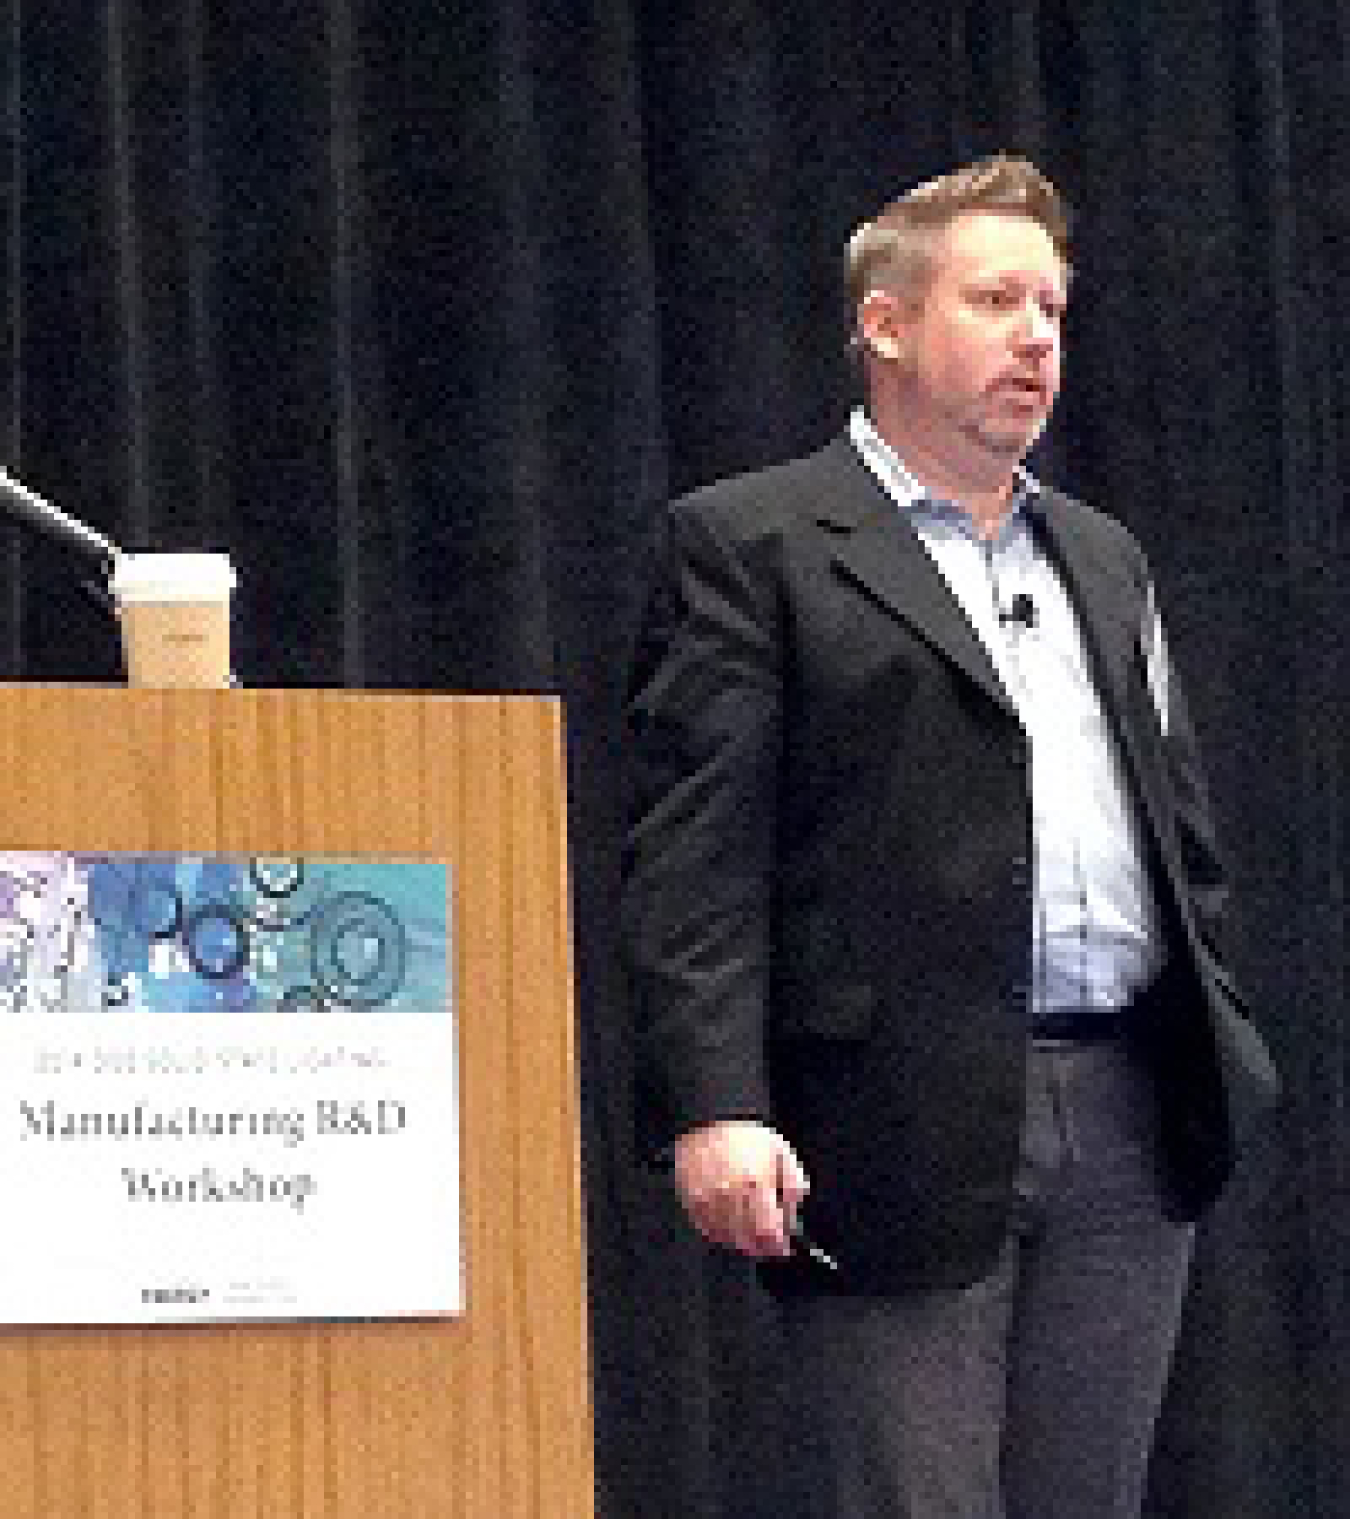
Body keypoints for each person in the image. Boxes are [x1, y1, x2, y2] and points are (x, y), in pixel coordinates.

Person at [620, 155, 1279, 1519]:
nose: (1035, 337)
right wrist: (715, 1102)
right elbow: (697, 854)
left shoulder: (1100, 556)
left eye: (1050, 307)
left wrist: (1207, 1008)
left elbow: (1177, 826)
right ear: (886, 325)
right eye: (994, 301)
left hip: (1124, 1107)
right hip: (890, 1118)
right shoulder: (757, 544)